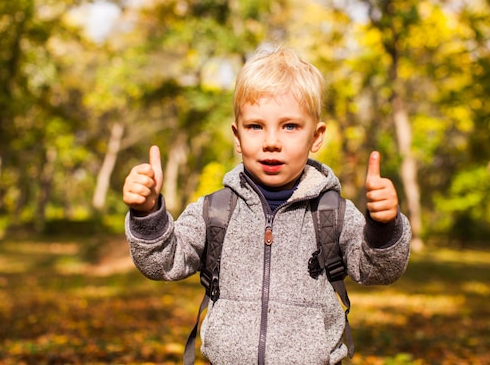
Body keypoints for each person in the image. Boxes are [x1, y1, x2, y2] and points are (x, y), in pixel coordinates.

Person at [123, 47, 412, 365]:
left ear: (316, 137)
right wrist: (147, 212)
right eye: (255, 126)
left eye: (290, 126)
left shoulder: (332, 213)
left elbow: (378, 270)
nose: (271, 141)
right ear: (237, 136)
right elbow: (163, 263)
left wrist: (384, 226)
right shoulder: (215, 211)